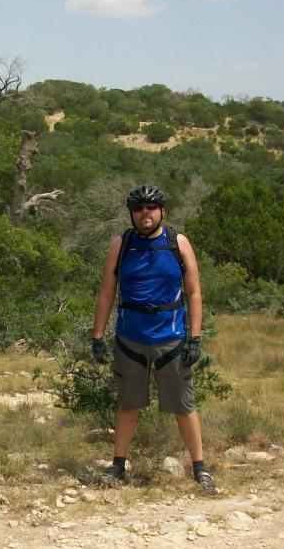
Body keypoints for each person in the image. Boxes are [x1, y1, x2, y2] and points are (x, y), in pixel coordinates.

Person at [90, 184, 217, 494]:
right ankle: (118, 465)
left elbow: (194, 292)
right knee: (128, 403)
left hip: (171, 338)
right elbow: (107, 292)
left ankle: (200, 468)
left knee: (183, 405)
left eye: (151, 207)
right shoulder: (121, 244)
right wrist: (97, 336)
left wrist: (195, 337)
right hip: (129, 338)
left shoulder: (178, 243)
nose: (144, 213)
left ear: (162, 211)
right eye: (138, 208)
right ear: (132, 214)